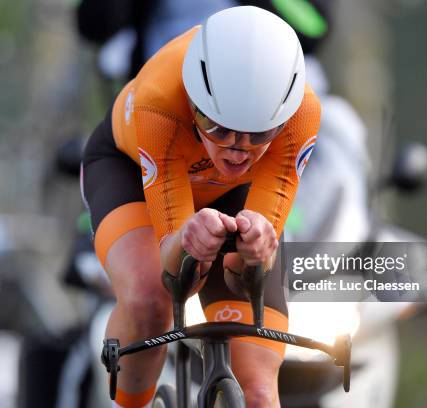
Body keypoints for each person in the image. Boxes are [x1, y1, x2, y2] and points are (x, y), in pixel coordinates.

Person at [81, 6, 321, 408]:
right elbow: (175, 272)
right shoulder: (160, 98)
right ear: (193, 105)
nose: (237, 150)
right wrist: (187, 242)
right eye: (217, 127)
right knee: (149, 298)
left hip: (231, 196)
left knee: (260, 391)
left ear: (282, 119)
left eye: (259, 133)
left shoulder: (302, 114)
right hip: (130, 175)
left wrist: (258, 250)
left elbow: (250, 270)